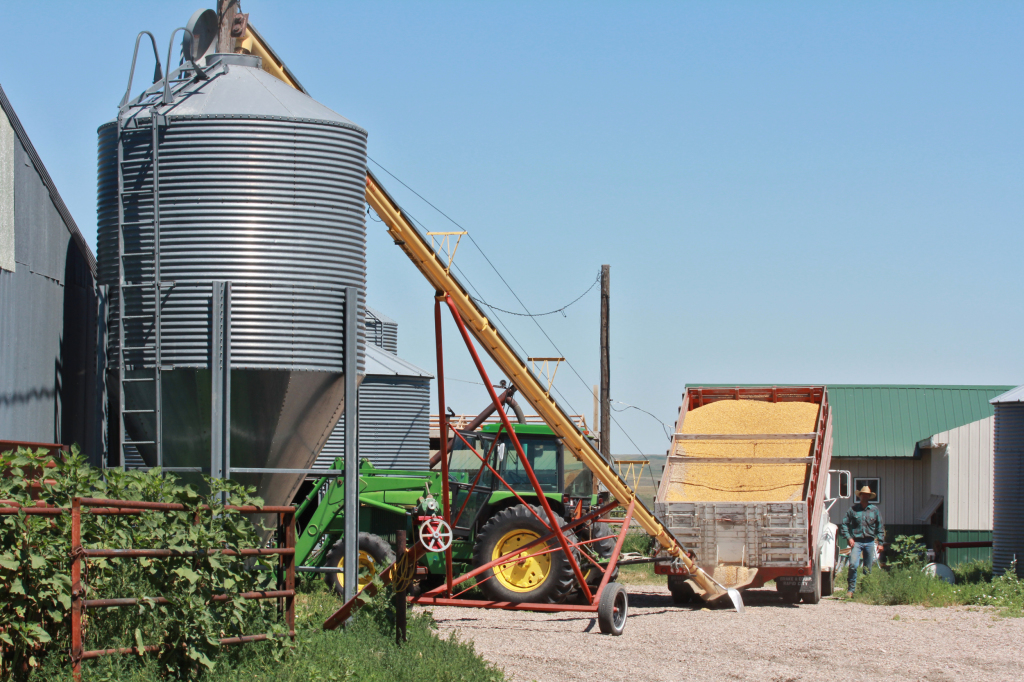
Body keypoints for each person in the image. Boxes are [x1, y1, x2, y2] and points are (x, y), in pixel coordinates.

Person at [839, 485, 885, 598]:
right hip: (857, 542)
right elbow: (844, 524)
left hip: (870, 541)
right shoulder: (853, 510)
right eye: (863, 494)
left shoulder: (874, 510)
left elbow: (880, 526)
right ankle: (851, 590)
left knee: (868, 568)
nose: (865, 496)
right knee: (853, 565)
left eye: (867, 495)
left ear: (869, 496)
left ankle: (865, 590)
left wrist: (880, 543)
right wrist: (849, 538)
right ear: (860, 496)